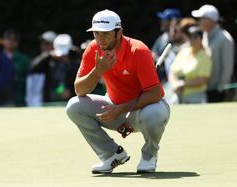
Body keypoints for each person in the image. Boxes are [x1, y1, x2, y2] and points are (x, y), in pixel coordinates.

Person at [66, 9, 170, 174]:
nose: (100, 39)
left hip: (141, 110)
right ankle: (112, 155)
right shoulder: (93, 49)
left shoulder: (138, 50)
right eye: (96, 34)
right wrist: (98, 71)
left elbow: (155, 93)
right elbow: (79, 90)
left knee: (154, 113)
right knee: (74, 106)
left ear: (119, 32)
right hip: (115, 111)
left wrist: (121, 109)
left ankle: (149, 155)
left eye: (105, 34)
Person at [191, 4, 235, 102]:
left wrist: (221, 89)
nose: (199, 21)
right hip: (205, 89)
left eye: (201, 18)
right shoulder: (206, 35)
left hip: (218, 91)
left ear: (210, 20)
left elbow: (227, 66)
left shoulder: (225, 38)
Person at [169, 26, 212, 103]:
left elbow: (202, 80)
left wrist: (182, 84)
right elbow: (172, 71)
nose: (192, 40)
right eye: (190, 37)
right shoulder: (183, 52)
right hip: (178, 94)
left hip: (196, 97)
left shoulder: (204, 57)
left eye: (195, 37)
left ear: (201, 39)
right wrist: (174, 84)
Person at [25, 31, 57, 107]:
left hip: (56, 103)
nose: (43, 46)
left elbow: (57, 85)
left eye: (47, 43)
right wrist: (49, 54)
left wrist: (60, 90)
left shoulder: (60, 63)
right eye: (42, 43)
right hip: (37, 104)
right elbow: (32, 67)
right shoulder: (41, 61)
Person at [3, 28, 30, 106]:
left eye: (14, 39)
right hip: (0, 101)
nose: (11, 42)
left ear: (17, 42)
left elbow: (28, 82)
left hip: (19, 99)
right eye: (8, 38)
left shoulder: (24, 59)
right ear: (3, 40)